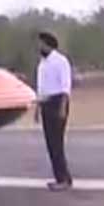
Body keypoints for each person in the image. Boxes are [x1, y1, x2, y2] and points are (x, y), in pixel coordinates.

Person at [36, 31, 73, 191]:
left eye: (41, 44)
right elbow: (41, 88)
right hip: (45, 103)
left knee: (57, 143)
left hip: (57, 102)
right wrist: (37, 108)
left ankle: (64, 179)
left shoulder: (60, 61)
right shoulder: (42, 63)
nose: (39, 47)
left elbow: (65, 86)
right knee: (51, 144)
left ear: (48, 44)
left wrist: (63, 107)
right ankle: (60, 177)